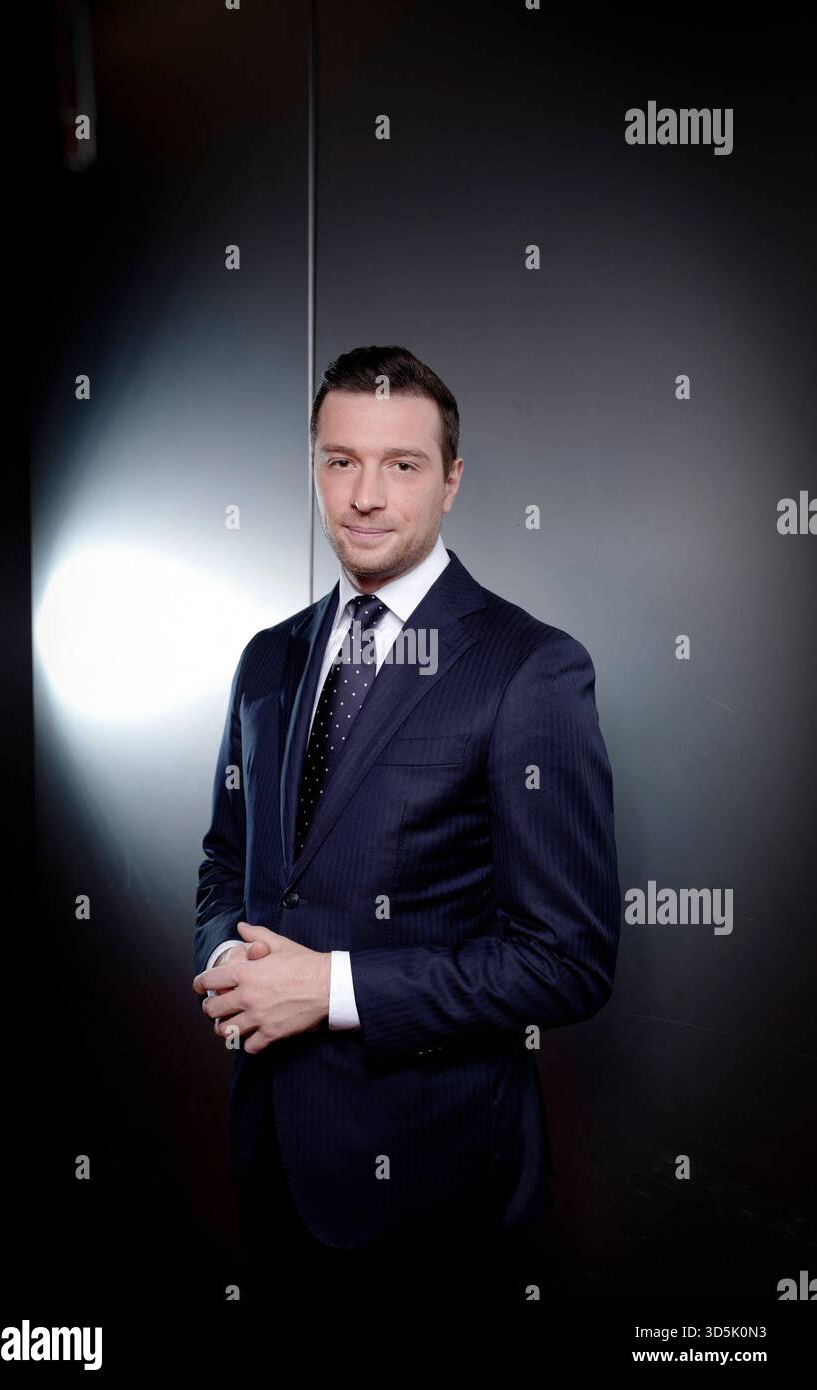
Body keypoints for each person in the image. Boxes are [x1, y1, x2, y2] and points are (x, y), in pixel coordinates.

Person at [192, 344, 621, 1312]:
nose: (365, 494)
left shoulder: (528, 669)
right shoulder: (268, 658)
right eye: (340, 461)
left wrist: (329, 988)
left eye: (401, 464)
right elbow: (226, 858)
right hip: (271, 1163)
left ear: (450, 481)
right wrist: (228, 957)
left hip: (437, 1192)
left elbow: (567, 959)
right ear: (313, 470)